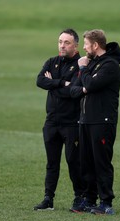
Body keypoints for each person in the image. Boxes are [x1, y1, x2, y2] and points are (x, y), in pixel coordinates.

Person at [70, 29, 120, 215]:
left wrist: (83, 71)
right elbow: (75, 90)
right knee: (86, 163)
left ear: (95, 45)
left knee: (101, 162)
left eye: (86, 44)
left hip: (102, 121)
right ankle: (89, 199)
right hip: (85, 121)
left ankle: (106, 202)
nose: (84, 48)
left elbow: (90, 85)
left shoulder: (110, 66)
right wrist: (85, 85)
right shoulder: (92, 64)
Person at [33, 28, 85, 211]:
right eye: (60, 42)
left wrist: (53, 84)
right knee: (52, 162)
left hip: (71, 123)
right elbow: (40, 81)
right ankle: (48, 199)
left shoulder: (81, 65)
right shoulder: (52, 61)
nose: (62, 46)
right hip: (51, 122)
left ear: (76, 45)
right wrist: (61, 82)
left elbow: (72, 93)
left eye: (67, 42)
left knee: (73, 161)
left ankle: (80, 197)